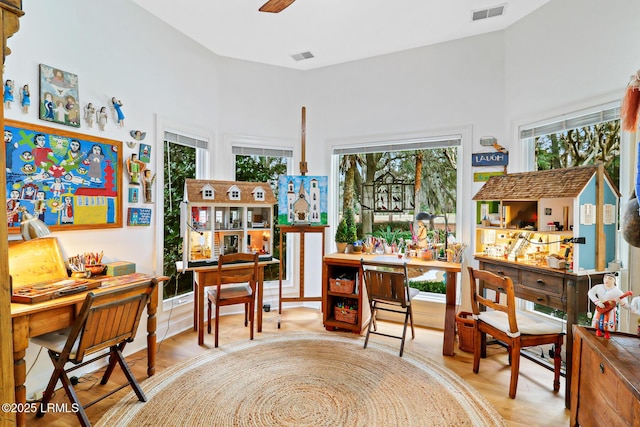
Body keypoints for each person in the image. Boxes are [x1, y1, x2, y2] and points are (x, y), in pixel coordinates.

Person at [588, 273, 632, 338]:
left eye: (610, 278)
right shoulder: (598, 287)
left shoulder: (617, 291)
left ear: (614, 281)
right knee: (598, 319)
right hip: (600, 307)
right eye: (605, 278)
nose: (607, 280)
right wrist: (597, 302)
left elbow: (627, 305)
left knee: (608, 321)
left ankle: (607, 332)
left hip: (610, 310)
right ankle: (598, 330)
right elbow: (590, 292)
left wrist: (621, 302)